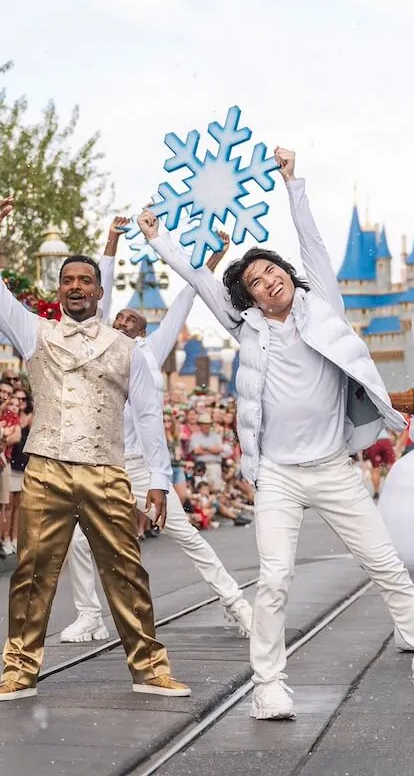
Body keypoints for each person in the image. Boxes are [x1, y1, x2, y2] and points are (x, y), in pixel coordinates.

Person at [139, 146, 414, 719]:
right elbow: (201, 283)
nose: (268, 280)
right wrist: (157, 240)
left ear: (287, 275)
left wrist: (292, 184)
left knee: (388, 568)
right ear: (247, 295)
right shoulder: (246, 329)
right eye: (255, 280)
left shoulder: (321, 303)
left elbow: (315, 245)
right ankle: (268, 684)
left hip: (332, 468)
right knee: (273, 581)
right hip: (277, 473)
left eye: (272, 270)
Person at [0, 198, 187, 701]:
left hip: (107, 471)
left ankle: (150, 669)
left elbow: (151, 418)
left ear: (99, 290)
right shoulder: (35, 333)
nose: (75, 287)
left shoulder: (127, 349)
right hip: (46, 468)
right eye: (68, 280)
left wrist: (158, 479)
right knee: (32, 572)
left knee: (127, 571)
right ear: (59, 289)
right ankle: (18, 673)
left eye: (85, 281)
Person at [58, 229, 253, 644]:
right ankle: (89, 615)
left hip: (140, 467)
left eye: (131, 320)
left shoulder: (150, 351)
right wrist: (110, 242)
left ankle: (235, 602)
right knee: (75, 539)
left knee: (185, 534)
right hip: (98, 465)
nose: (121, 321)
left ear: (144, 333)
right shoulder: (100, 344)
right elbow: (101, 292)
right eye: (118, 318)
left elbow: (184, 300)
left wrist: (214, 258)